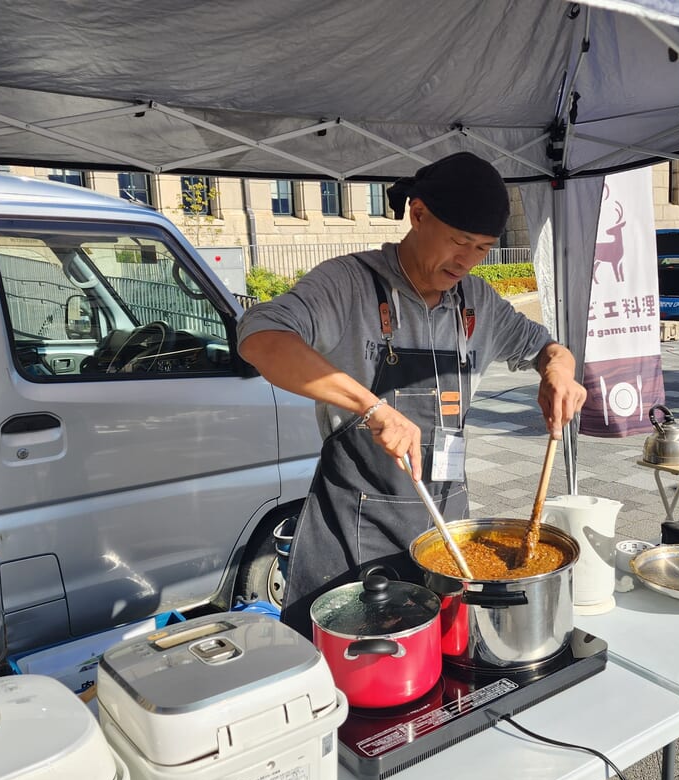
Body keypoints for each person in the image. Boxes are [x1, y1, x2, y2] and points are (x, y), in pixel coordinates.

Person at [237, 152, 587, 635]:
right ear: (417, 215)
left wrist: (560, 372)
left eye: (483, 249)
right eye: (459, 242)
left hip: (450, 527)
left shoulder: (477, 302)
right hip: (355, 530)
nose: (467, 261)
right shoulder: (348, 284)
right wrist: (371, 407)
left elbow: (548, 348)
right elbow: (260, 338)